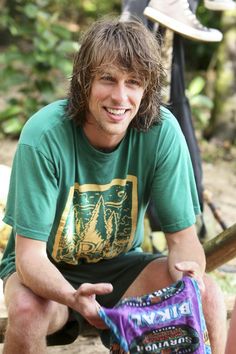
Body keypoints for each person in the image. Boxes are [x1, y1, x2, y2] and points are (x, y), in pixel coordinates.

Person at [0, 17, 227, 353]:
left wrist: (188, 276)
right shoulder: (44, 135)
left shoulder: (162, 132)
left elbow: (183, 241)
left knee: (207, 294)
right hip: (47, 271)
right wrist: (72, 297)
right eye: (108, 79)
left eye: (133, 82)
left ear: (147, 89)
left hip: (121, 267)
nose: (120, 97)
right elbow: (29, 258)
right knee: (27, 310)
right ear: (83, 81)